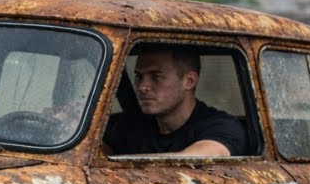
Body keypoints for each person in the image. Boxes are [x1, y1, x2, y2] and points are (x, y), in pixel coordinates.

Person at [104, 45, 247, 156]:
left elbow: (202, 157)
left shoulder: (221, 127)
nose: (142, 87)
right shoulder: (126, 125)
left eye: (156, 76)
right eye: (139, 77)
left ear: (189, 81)